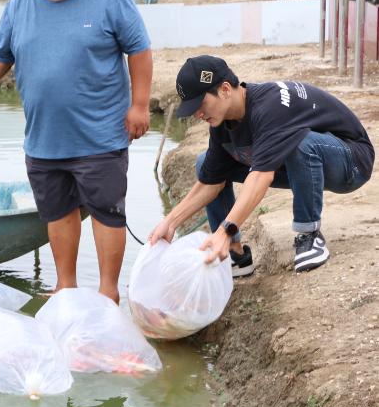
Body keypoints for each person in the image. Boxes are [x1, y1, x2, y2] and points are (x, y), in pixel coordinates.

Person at [0, 0, 153, 303]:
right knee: (58, 212)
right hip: (45, 136)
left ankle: (108, 292)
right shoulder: (20, 2)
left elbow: (139, 50)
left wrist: (139, 105)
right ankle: (65, 286)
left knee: (106, 213)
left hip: (100, 133)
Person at [149, 55, 374, 274]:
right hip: (303, 165)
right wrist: (170, 222)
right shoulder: (221, 126)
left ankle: (310, 235)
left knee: (298, 142)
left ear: (225, 89)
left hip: (351, 161)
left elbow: (261, 177)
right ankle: (235, 254)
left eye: (201, 104)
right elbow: (211, 182)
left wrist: (224, 230)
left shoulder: (271, 107)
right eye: (192, 109)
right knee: (204, 163)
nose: (198, 113)